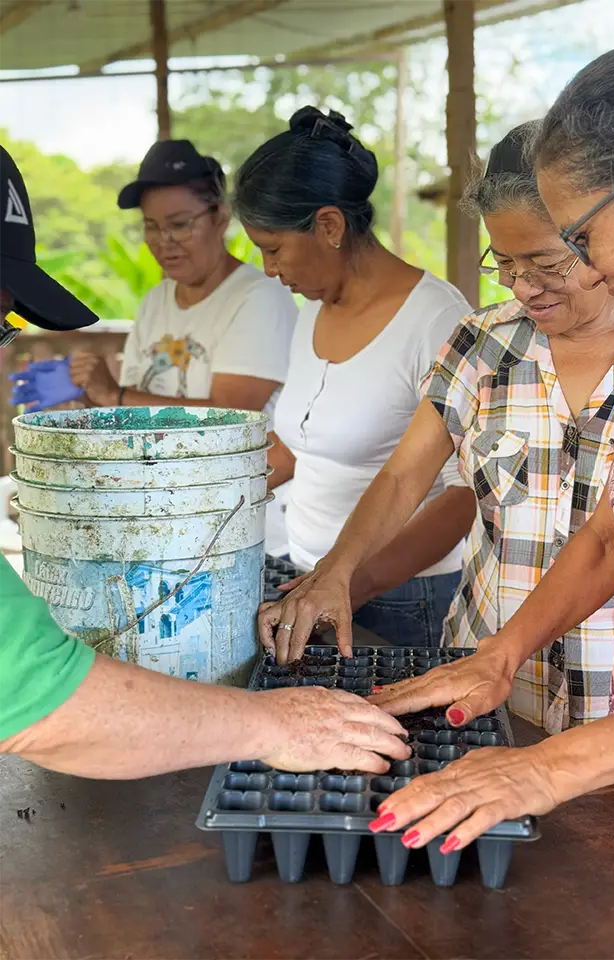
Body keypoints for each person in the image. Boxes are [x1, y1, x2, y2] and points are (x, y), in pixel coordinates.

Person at [366, 43, 614, 853]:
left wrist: (547, 770)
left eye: (580, 239)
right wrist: (501, 653)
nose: (582, 271)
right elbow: (610, 535)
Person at [0, 145, 409, 779]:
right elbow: (41, 696)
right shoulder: (168, 302)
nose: (165, 241)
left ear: (219, 218)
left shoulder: (271, 304)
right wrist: (272, 724)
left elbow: (235, 427)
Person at [258, 120, 614, 734]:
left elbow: (613, 544)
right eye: (505, 264)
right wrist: (336, 572)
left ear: (599, 233)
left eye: (546, 263)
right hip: (480, 677)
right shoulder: (483, 343)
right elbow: (402, 477)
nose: (525, 288)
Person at [236, 106, 476, 659]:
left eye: (273, 249)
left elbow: (464, 500)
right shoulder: (313, 309)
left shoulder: (437, 320)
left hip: (402, 597)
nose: (269, 269)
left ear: (329, 226)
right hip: (306, 577)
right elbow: (297, 452)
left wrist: (349, 583)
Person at [69, 139, 297, 425]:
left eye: (179, 225)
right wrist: (88, 395)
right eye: (151, 227)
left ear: (221, 218)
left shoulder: (260, 298)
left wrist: (114, 396)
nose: (164, 241)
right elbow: (134, 408)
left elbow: (229, 416)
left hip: (235, 470)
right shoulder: (156, 300)